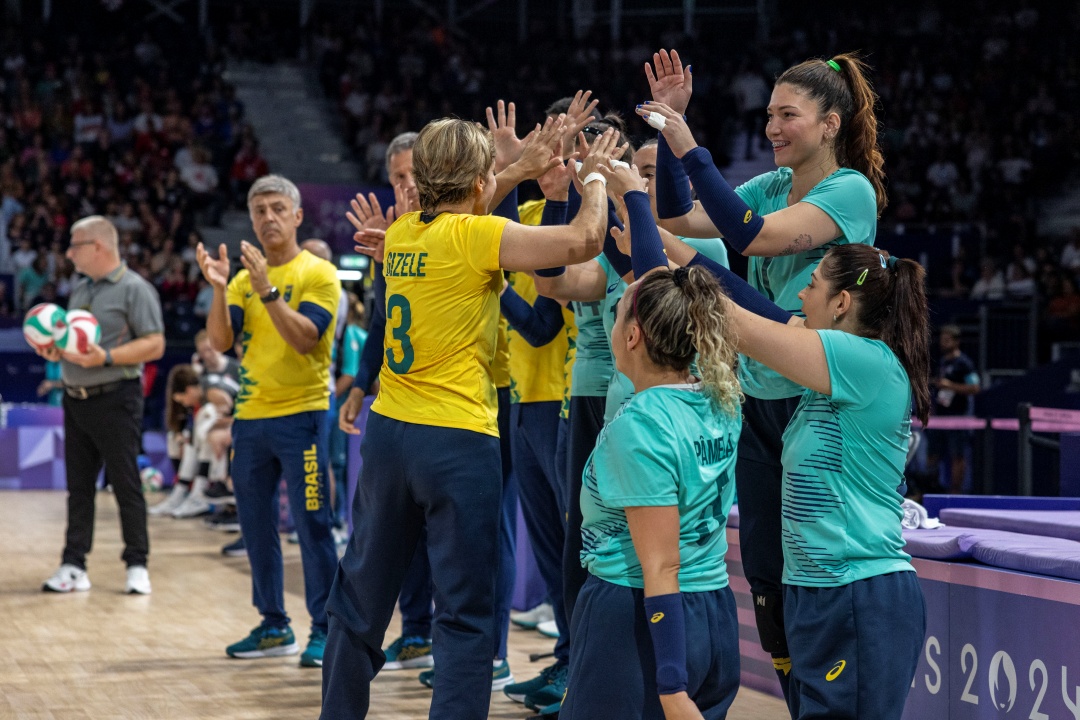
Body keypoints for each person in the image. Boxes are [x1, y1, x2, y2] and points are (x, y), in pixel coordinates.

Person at [321, 117, 616, 720]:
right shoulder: (481, 236)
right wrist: (595, 180)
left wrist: (516, 168)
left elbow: (468, 200)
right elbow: (586, 241)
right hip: (456, 442)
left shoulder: (402, 232)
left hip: (388, 437)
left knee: (357, 605)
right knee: (467, 617)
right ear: (480, 179)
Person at [622, 190, 928, 717]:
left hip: (857, 588)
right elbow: (748, 300)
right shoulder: (826, 367)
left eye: (809, 285)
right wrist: (668, 244)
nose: (799, 297)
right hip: (816, 588)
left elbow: (730, 320)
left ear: (841, 303)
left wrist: (635, 202)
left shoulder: (864, 361)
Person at [640, 50, 884, 701]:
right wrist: (670, 130)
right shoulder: (773, 185)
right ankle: (800, 701)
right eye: (769, 114)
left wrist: (692, 146)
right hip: (758, 399)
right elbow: (676, 215)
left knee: (816, 568)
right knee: (766, 574)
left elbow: (748, 240)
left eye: (788, 115)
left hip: (816, 400)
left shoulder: (849, 191)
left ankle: (831, 699)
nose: (773, 127)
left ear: (831, 123)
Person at [559, 266, 742, 720]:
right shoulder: (719, 400)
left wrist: (672, 682)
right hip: (713, 613)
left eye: (616, 314)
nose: (611, 324)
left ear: (634, 336)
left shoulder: (642, 423)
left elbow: (661, 564)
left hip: (639, 618)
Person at [196, 174, 340, 669]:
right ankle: (273, 624)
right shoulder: (237, 280)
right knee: (256, 527)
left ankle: (323, 628)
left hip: (302, 415)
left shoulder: (320, 273)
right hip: (250, 419)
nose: (269, 219)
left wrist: (268, 290)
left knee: (312, 526)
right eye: (260, 211)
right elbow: (220, 343)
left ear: (298, 216)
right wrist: (219, 289)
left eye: (278, 208)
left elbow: (305, 339)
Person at [340, 130, 440, 673]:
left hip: (460, 409)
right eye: (399, 177)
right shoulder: (392, 241)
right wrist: (359, 385)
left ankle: (453, 642)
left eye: (415, 176)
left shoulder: (453, 233)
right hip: (398, 407)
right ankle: (416, 630)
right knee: (396, 531)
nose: (408, 187)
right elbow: (380, 323)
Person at [39, 215, 165, 595]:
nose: (69, 252)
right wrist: (53, 348)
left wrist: (106, 357)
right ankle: (74, 564)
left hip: (116, 397)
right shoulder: (79, 289)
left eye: (75, 245)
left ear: (98, 247)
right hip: (75, 400)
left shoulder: (134, 289)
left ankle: (137, 564)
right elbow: (73, 344)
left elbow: (155, 344)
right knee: (78, 488)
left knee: (126, 484)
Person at [929, 324, 980, 493]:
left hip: (957, 417)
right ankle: (930, 487)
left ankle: (955, 491)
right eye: (942, 340)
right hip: (939, 417)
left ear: (957, 342)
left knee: (957, 455)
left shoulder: (964, 363)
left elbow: (974, 388)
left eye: (947, 340)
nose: (943, 343)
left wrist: (951, 385)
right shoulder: (943, 362)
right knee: (933, 453)